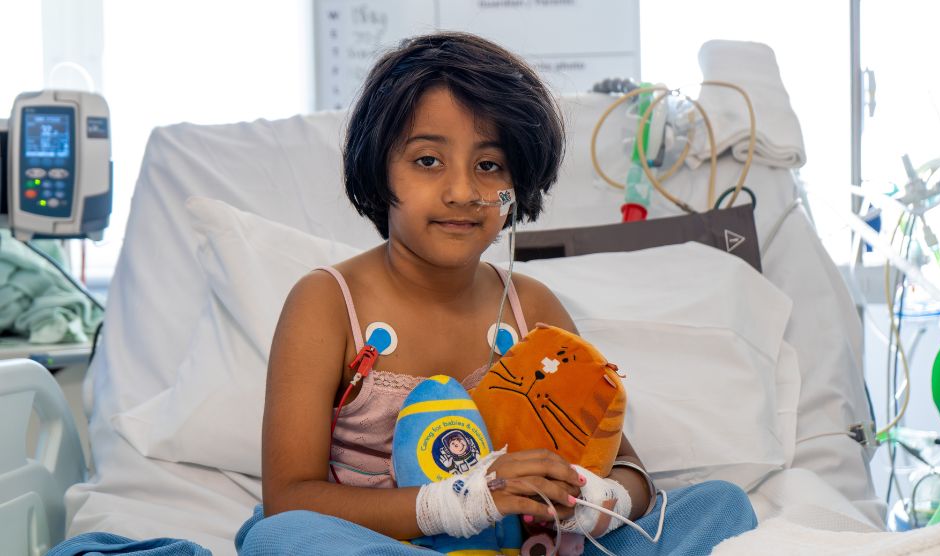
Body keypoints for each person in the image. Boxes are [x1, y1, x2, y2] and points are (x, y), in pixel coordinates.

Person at [236, 31, 757, 556]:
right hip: (389, 547)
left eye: (489, 167)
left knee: (721, 505)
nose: (463, 192)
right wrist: (466, 502)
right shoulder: (326, 304)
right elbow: (289, 496)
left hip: (533, 548)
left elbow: (629, 471)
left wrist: (595, 498)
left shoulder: (532, 309)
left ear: (516, 188)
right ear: (378, 171)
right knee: (281, 534)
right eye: (426, 161)